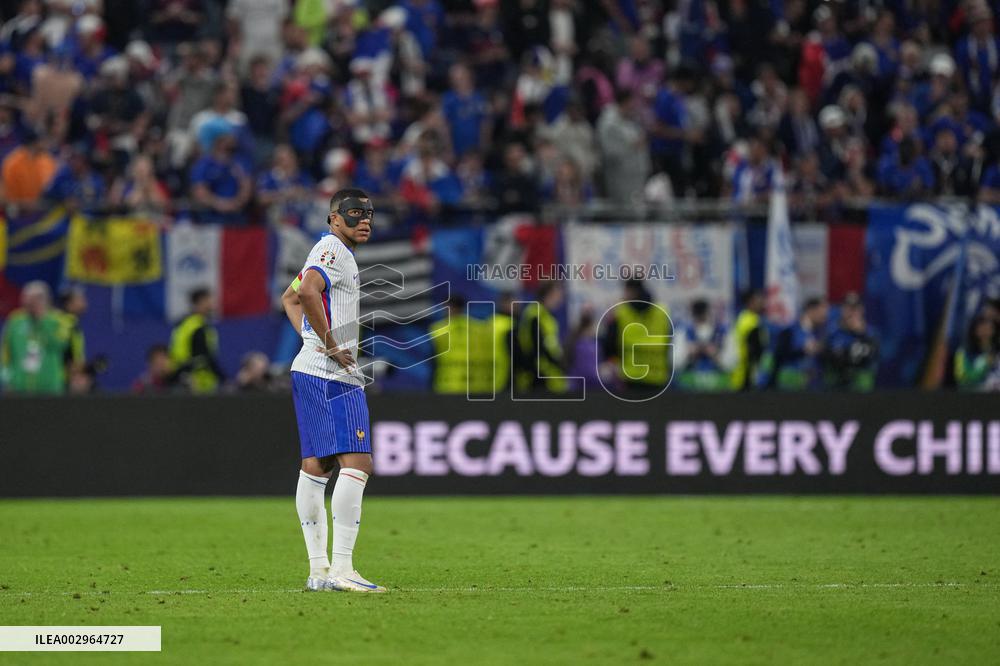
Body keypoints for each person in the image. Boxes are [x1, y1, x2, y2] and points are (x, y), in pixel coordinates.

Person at [279, 187, 385, 593]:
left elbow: (289, 297)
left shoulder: (327, 252)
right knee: (358, 463)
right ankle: (342, 569)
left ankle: (319, 571)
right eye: (355, 212)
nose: (365, 220)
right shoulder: (333, 251)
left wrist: (312, 339)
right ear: (333, 218)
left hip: (310, 371)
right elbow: (305, 294)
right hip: (332, 375)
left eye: (369, 213)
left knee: (317, 467)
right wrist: (328, 343)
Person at [602, 279, 672, 397]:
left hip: (630, 376)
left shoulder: (620, 311)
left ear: (631, 291)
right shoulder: (662, 311)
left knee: (631, 414)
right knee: (656, 414)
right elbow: (669, 342)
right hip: (658, 376)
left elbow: (609, 344)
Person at [0, 281, 67, 394]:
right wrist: (6, 378)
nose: (30, 303)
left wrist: (43, 320)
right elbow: (5, 353)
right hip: (19, 386)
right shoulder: (15, 320)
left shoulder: (58, 320)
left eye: (35, 299)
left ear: (45, 300)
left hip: (49, 386)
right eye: (27, 298)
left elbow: (59, 346)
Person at [515, 280, 567, 395]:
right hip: (539, 380)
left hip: (549, 378)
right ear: (550, 293)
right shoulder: (535, 315)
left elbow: (551, 346)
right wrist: (558, 364)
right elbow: (537, 350)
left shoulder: (546, 316)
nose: (561, 298)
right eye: (559, 293)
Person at [169, 288, 225, 394]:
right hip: (198, 385)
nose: (212, 305)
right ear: (200, 302)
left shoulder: (183, 325)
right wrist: (225, 379)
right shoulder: (198, 327)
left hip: (182, 380)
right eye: (209, 301)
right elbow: (204, 357)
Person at [770, 297, 828, 390]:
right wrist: (803, 350)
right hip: (789, 388)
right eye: (822, 311)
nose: (825, 315)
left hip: (813, 388)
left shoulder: (821, 333)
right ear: (811, 310)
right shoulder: (789, 331)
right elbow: (779, 355)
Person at [824, 293, 878, 391]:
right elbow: (827, 356)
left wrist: (861, 334)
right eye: (848, 308)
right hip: (836, 385)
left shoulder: (870, 333)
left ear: (862, 310)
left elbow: (873, 356)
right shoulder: (832, 331)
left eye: (855, 308)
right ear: (842, 310)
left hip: (861, 386)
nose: (852, 312)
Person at [731, 289, 769, 391]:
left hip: (745, 372)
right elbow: (755, 350)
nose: (762, 302)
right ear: (751, 302)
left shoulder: (748, 318)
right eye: (759, 299)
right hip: (746, 373)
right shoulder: (749, 322)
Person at [954, 314, 999, 390]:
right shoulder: (962, 351)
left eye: (989, 328)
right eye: (982, 328)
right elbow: (962, 377)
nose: (986, 332)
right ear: (974, 329)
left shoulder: (997, 351)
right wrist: (984, 364)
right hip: (971, 396)